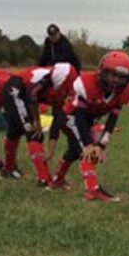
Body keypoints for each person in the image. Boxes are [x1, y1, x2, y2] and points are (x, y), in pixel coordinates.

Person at [48, 51, 129, 201]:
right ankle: (92, 190)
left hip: (87, 120)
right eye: (112, 74)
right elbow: (79, 116)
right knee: (87, 152)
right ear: (102, 71)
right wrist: (89, 144)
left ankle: (56, 180)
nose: (116, 80)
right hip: (71, 117)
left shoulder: (124, 93)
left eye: (122, 77)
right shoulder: (88, 84)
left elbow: (112, 119)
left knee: (75, 151)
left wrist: (101, 144)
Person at [0, 63, 77, 184]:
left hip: (22, 93)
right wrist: (37, 123)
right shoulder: (46, 80)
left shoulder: (65, 88)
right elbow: (32, 96)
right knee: (33, 131)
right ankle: (43, 177)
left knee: (15, 130)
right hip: (16, 89)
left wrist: (51, 150)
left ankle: (8, 169)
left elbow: (57, 119)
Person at [39, 25, 82, 157]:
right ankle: (52, 149)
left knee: (60, 115)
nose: (54, 38)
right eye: (51, 36)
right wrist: (39, 70)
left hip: (68, 80)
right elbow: (44, 58)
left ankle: (77, 142)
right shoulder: (48, 43)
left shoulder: (65, 45)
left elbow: (64, 61)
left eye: (55, 35)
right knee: (57, 114)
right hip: (55, 79)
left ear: (59, 33)